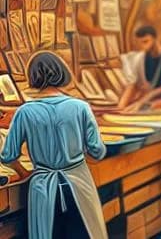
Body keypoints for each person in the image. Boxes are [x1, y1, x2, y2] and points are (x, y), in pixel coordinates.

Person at [1, 52, 107, 239]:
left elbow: (8, 155)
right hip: (79, 184)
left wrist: (24, 173)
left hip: (43, 190)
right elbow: (98, 151)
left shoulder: (25, 112)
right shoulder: (80, 107)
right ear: (61, 73)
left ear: (32, 77)